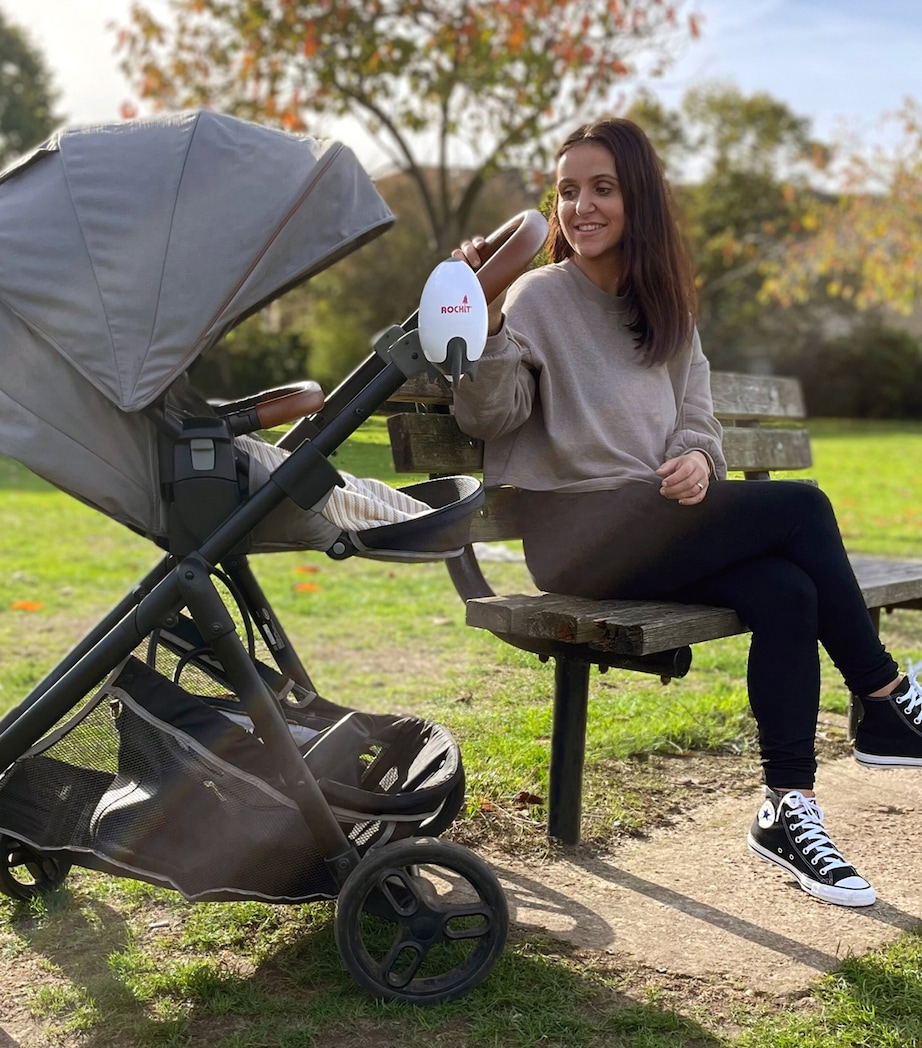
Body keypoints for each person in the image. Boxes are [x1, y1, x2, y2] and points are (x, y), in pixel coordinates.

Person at [451, 116, 922, 908]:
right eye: (568, 190)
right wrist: (490, 315)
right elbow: (487, 418)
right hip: (577, 540)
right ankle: (885, 695)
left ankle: (788, 808)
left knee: (787, 592)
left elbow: (697, 417)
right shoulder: (535, 296)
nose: (582, 207)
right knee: (803, 507)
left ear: (639, 199)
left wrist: (701, 460)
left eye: (602, 188)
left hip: (656, 528)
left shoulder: (663, 308)